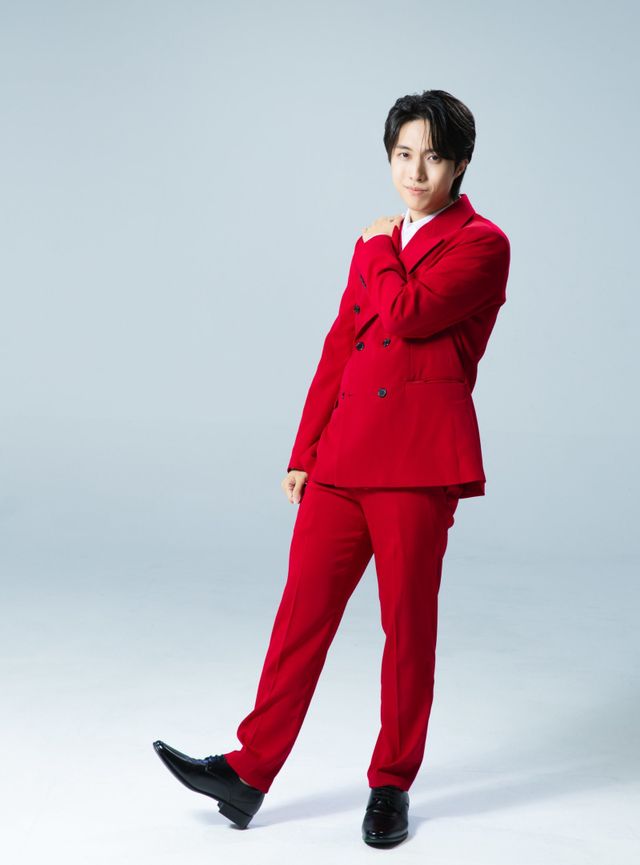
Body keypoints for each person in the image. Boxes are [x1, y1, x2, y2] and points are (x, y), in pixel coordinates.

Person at [153, 88, 511, 848]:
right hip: (344, 459)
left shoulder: (482, 244)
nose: (415, 172)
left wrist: (376, 247)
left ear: (460, 164)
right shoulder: (376, 243)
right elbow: (341, 345)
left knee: (405, 632)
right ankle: (248, 771)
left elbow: (410, 314)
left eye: (433, 157)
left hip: (415, 464)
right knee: (300, 618)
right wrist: (304, 450)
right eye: (403, 155)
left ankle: (391, 783)